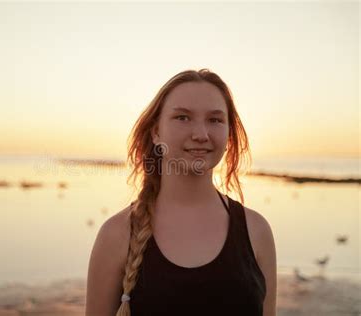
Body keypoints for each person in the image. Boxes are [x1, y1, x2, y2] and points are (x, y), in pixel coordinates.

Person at [85, 69, 277, 316]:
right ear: (156, 132)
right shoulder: (117, 234)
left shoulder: (256, 231)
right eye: (183, 118)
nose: (200, 135)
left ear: (229, 134)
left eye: (215, 120)